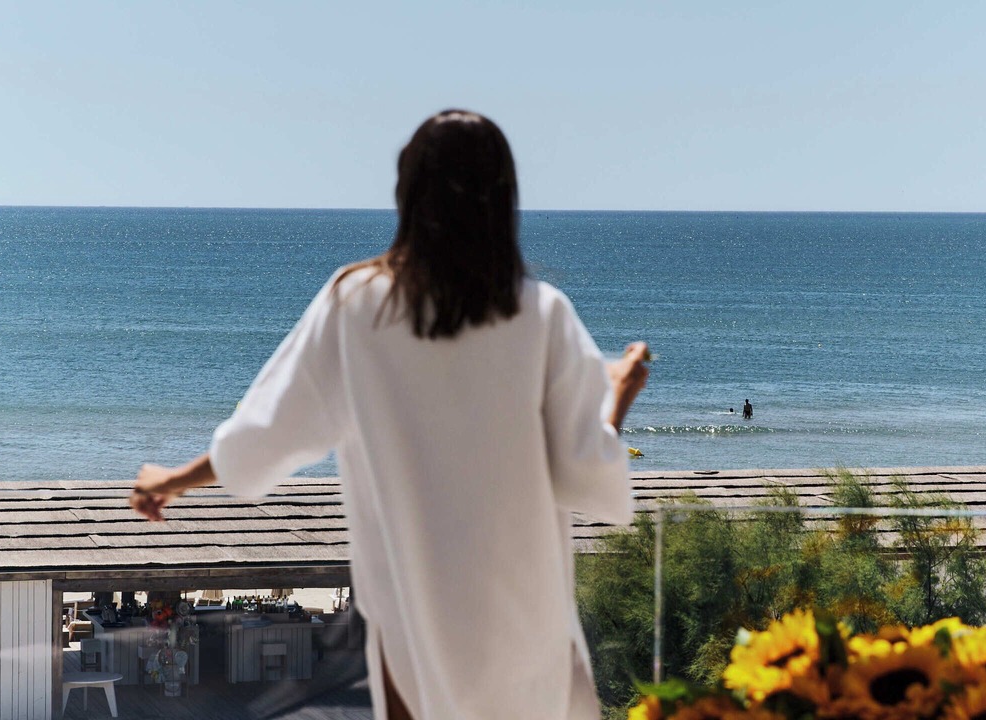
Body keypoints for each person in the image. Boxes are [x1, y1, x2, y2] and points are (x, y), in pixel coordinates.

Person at [129, 110, 649, 720]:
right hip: (524, 627)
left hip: (414, 628)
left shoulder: (358, 306)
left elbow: (265, 436)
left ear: (408, 194)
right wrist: (617, 394)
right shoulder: (541, 314)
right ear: (504, 199)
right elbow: (586, 470)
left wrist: (173, 479)